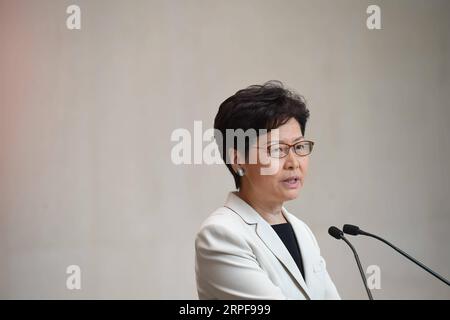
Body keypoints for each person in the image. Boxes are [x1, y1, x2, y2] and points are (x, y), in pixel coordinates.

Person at [195, 80, 340, 299]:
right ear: (238, 160)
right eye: (276, 149)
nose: (293, 162)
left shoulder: (301, 230)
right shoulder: (221, 234)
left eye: (299, 147)